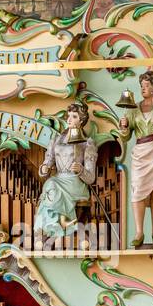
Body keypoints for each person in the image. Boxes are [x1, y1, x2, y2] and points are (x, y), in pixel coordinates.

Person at [120, 70, 153, 247]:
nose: (143, 88)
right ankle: (139, 231)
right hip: (140, 152)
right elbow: (126, 137)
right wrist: (125, 127)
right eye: (141, 85)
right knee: (137, 191)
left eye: (146, 85)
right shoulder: (133, 109)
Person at [34, 101, 98, 240]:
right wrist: (44, 168)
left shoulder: (87, 143)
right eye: (68, 116)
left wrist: (80, 170)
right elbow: (47, 163)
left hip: (75, 182)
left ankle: (57, 225)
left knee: (52, 185)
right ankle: (57, 224)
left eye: (74, 116)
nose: (69, 119)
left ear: (81, 120)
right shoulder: (56, 140)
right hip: (58, 179)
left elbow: (91, 178)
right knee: (50, 183)